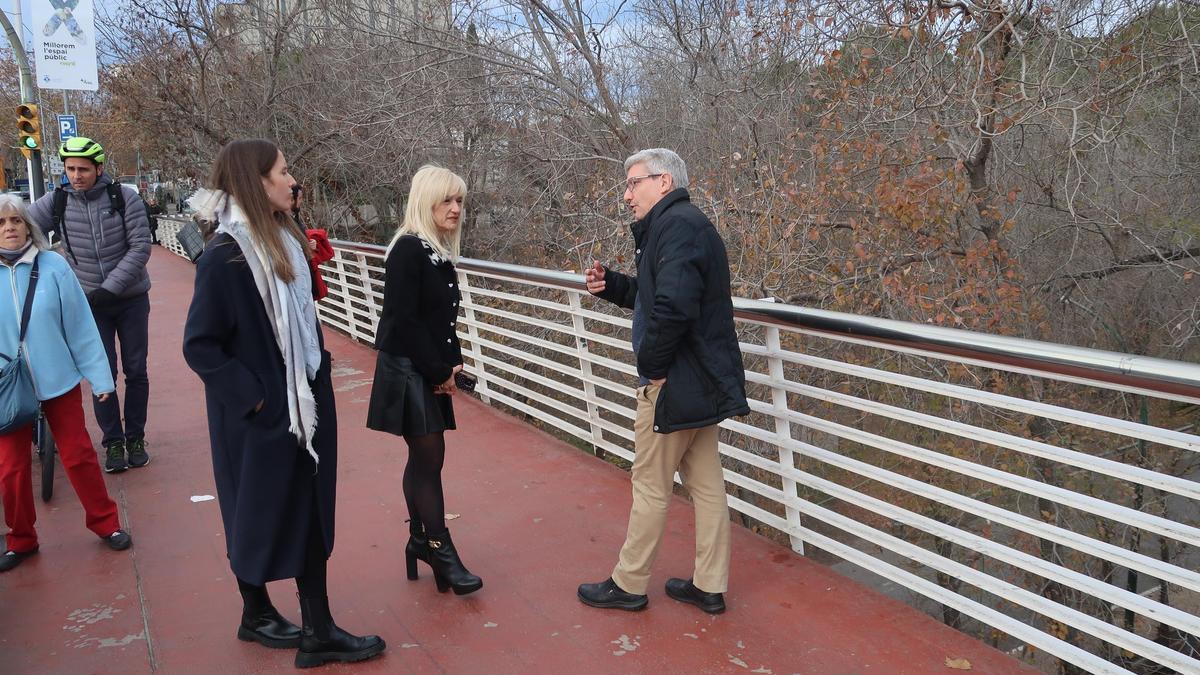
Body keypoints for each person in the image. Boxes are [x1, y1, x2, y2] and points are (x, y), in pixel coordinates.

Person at [182, 139, 384, 668]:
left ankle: (316, 629)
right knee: (260, 513)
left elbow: (299, 320)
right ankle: (261, 612)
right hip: (266, 413)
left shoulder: (285, 242)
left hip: (304, 400)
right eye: (284, 172)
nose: (294, 180)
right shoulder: (227, 257)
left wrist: (310, 376)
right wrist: (258, 400)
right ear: (257, 182)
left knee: (310, 512)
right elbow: (200, 345)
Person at [577, 148, 749, 615]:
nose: (627, 195)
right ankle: (709, 585)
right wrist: (614, 286)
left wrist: (652, 368)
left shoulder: (677, 228)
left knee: (650, 483)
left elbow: (673, 310)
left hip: (674, 383)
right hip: (699, 380)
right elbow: (659, 296)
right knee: (707, 484)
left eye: (634, 183)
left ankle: (628, 583)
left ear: (665, 182)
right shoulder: (682, 228)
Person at [0, 194, 132, 572]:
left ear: (28, 226)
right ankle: (21, 538)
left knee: (78, 455)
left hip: (58, 381)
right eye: (1, 223)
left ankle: (105, 524)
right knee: (10, 467)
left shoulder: (53, 266)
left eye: (16, 221)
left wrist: (100, 377)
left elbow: (80, 327)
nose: (9, 228)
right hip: (7, 388)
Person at [366, 165, 482, 596]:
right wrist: (438, 371)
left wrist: (452, 363)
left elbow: (439, 320)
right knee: (429, 457)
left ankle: (420, 540)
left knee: (423, 459)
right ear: (425, 200)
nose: (455, 209)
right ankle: (439, 548)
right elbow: (403, 322)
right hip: (408, 369)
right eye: (447, 200)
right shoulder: (408, 250)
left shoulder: (432, 249)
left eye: (459, 201)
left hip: (425, 366)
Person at [30, 137, 153, 473]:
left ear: (99, 168)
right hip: (87, 303)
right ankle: (113, 442)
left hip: (130, 299)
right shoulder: (56, 201)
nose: (76, 175)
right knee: (102, 373)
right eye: (70, 169)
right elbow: (23, 229)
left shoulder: (125, 198)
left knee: (136, 369)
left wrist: (111, 288)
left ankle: (136, 437)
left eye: (83, 169)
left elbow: (141, 247)